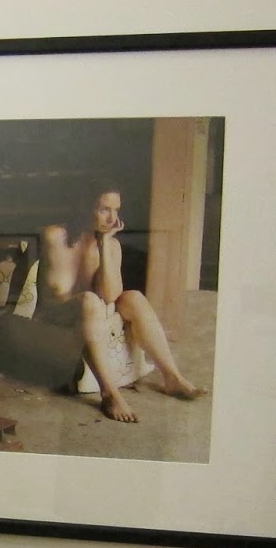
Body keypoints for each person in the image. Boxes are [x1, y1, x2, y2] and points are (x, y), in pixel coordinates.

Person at [37, 181, 206, 423]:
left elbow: (110, 296)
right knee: (89, 300)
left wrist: (104, 244)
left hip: (91, 312)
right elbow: (57, 293)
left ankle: (172, 377)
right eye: (104, 209)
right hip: (54, 315)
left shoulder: (112, 244)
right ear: (85, 207)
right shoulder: (54, 236)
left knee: (133, 297)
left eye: (116, 210)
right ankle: (109, 393)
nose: (112, 218)